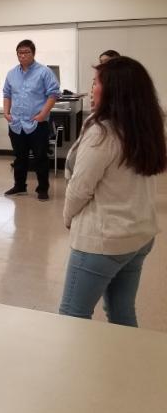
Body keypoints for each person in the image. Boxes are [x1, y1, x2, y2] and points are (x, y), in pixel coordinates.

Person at [59, 57, 166, 327]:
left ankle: (76, 370)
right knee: (121, 313)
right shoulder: (145, 127)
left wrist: (68, 217)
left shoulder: (102, 133)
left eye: (96, 83)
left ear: (115, 90)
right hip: (139, 235)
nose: (91, 88)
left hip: (104, 241)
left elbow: (80, 189)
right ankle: (127, 367)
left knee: (73, 315)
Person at [2, 39, 60, 201]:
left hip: (37, 123)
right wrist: (6, 112)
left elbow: (53, 94)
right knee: (19, 157)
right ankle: (19, 186)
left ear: (33, 53)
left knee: (40, 157)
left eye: (26, 52)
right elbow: (7, 94)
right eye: (19, 52)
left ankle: (42, 189)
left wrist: (43, 114)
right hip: (16, 123)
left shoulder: (44, 72)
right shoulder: (12, 73)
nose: (22, 55)